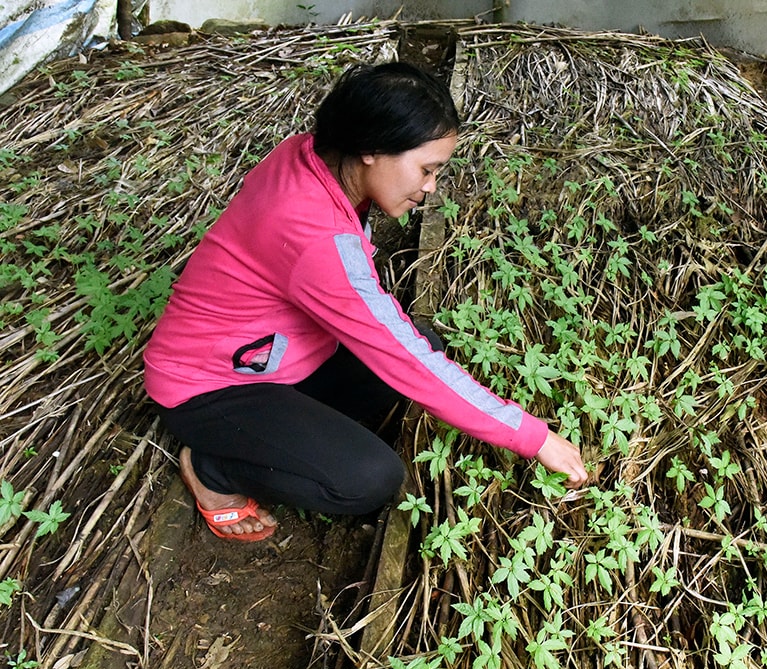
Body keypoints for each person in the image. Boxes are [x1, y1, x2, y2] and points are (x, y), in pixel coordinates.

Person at [143, 61, 587, 542]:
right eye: (427, 168)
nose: (431, 186)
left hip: (275, 357)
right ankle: (214, 469)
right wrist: (532, 436)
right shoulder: (313, 235)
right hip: (210, 387)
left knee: (426, 343)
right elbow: (399, 355)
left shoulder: (313, 155)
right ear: (372, 148)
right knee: (368, 480)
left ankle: (287, 432)